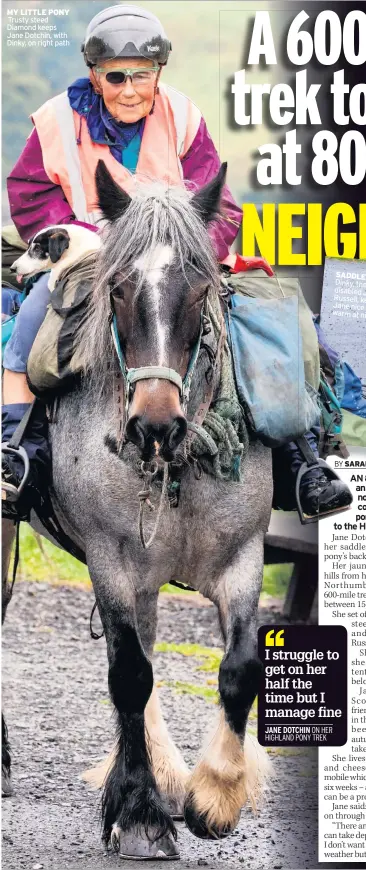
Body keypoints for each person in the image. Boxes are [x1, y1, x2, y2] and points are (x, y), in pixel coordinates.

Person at [2, 3, 352, 522]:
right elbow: (28, 190)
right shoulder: (56, 120)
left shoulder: (183, 116)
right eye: (115, 76)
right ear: (95, 75)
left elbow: (219, 201)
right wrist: (74, 238)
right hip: (90, 257)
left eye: (140, 76)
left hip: (176, 257)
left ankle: (302, 464)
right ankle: (17, 454)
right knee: (31, 325)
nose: (128, 89)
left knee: (265, 326)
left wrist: (190, 253)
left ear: (157, 73)